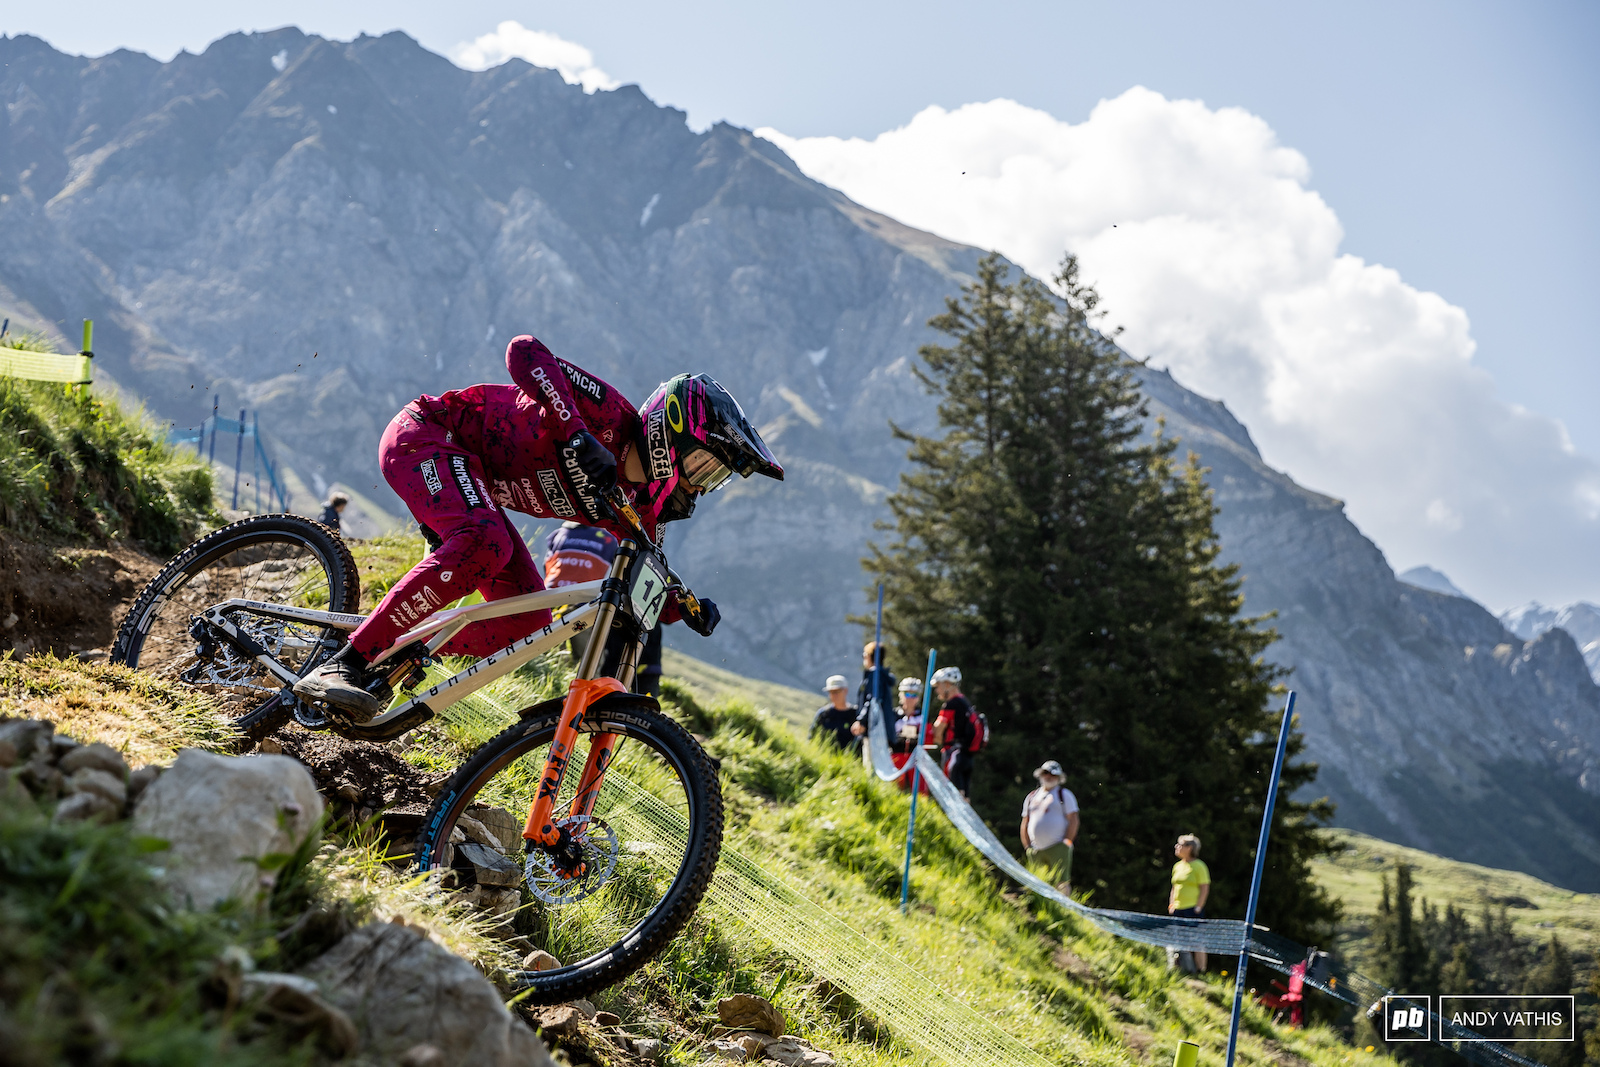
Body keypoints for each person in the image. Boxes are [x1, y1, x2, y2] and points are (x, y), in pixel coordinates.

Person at [293, 336, 783, 720]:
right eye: (703, 466)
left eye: (712, 479)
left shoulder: (635, 506)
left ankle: (399, 643)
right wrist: (576, 433)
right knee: (488, 540)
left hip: (473, 487)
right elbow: (523, 351)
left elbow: (653, 573)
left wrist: (686, 607)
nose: (699, 486)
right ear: (672, 429)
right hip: (427, 435)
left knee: (526, 622)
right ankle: (347, 664)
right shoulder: (607, 414)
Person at [544, 521, 663, 696]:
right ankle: (588, 706)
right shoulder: (610, 539)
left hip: (550, 604)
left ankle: (546, 696)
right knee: (589, 667)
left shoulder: (558, 534)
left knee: (552, 661)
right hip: (585, 609)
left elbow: (547, 566)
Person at [1019, 759, 1079, 896]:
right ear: (1040, 775)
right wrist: (1027, 846)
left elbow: (1074, 820)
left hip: (1058, 846)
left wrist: (1067, 841)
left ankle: (1065, 911)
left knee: (1061, 883)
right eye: (1046, 773)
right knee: (1037, 883)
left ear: (1059, 777)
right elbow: (1025, 822)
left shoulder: (1064, 795)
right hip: (1035, 849)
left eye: (1053, 774)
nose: (1049, 777)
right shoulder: (1031, 796)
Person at [929, 666, 978, 798]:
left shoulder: (951, 704)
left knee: (954, 797)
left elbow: (938, 730)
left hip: (953, 754)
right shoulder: (965, 702)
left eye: (938, 686)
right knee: (965, 797)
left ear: (947, 684)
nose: (937, 690)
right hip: (967, 756)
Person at [1168, 833, 1211, 970]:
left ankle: (1201, 970)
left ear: (1189, 848)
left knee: (1197, 941)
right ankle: (1181, 968)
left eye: (1180, 844)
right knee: (1178, 940)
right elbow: (1174, 887)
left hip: (1192, 909)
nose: (1177, 847)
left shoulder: (1199, 866)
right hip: (1178, 909)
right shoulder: (1177, 866)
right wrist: (1172, 904)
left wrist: (1198, 907)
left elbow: (1204, 888)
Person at [889, 676, 932, 794]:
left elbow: (929, 738)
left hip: (916, 759)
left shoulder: (923, 716)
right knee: (893, 790)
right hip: (896, 756)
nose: (911, 698)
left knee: (920, 792)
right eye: (907, 694)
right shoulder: (893, 715)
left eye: (915, 695)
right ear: (901, 695)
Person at [811, 675, 860, 750]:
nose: (834, 695)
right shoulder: (823, 714)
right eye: (831, 692)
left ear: (845, 691)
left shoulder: (857, 714)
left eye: (837, 691)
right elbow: (812, 737)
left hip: (849, 759)